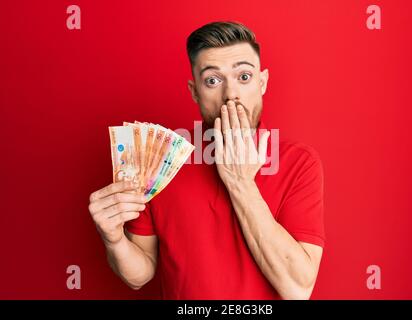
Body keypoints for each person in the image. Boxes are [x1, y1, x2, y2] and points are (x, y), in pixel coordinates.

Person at [88, 21, 325, 299]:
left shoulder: (300, 163)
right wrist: (113, 239)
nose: (231, 94)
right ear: (194, 91)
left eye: (244, 77)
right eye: (213, 80)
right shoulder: (163, 159)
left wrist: (239, 182)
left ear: (262, 83)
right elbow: (140, 275)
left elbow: (297, 289)